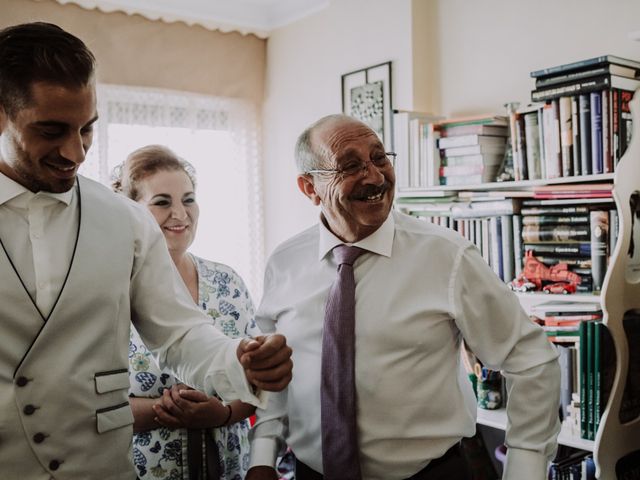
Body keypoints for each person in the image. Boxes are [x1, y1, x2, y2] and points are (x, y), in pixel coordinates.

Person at [0, 22, 292, 479]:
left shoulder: (124, 219)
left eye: (87, 129)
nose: (75, 152)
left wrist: (241, 363)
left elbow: (178, 335)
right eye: (51, 130)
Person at [246, 114, 561, 480]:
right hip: (310, 472)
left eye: (380, 158)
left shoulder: (448, 257)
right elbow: (273, 373)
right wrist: (262, 456)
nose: (376, 177)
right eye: (350, 165)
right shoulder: (284, 263)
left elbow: (532, 360)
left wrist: (525, 468)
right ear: (309, 187)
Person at [112, 145, 257, 479]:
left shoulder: (228, 282)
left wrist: (220, 413)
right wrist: (169, 411)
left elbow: (258, 386)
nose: (180, 213)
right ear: (130, 210)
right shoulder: (110, 288)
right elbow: (84, 403)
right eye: (162, 202)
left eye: (188, 199)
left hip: (229, 466)